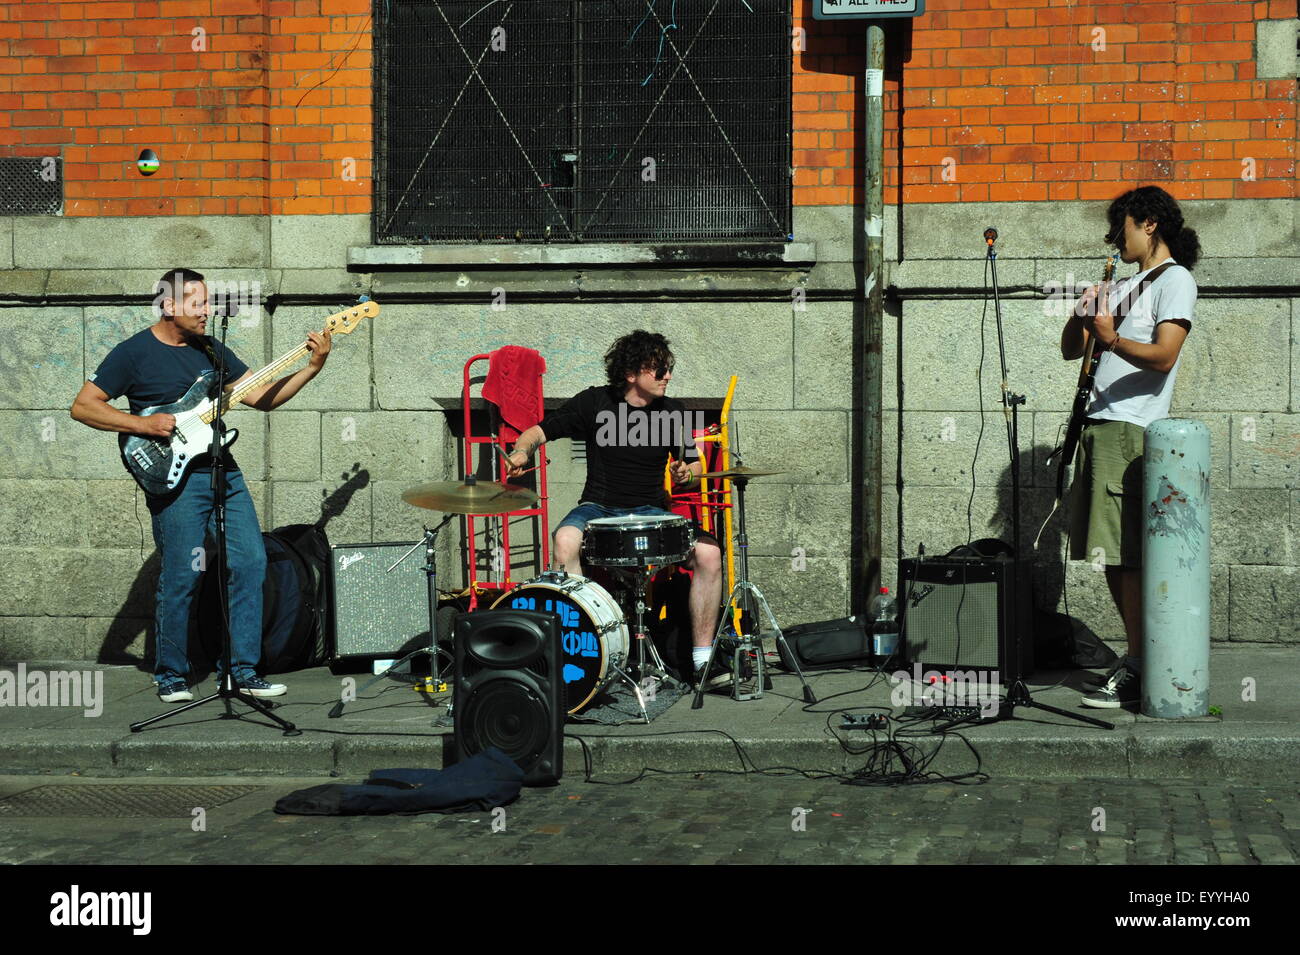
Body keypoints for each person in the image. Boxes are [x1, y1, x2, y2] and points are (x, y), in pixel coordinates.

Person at [71, 268, 332, 702]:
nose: (208, 311)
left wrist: (314, 366)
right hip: (176, 479)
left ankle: (243, 670)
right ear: (169, 306)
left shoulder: (211, 350)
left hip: (222, 471)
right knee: (182, 575)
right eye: (199, 304)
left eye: (209, 303)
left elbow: (260, 398)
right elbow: (83, 407)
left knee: (250, 562)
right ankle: (171, 672)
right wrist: (142, 423)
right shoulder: (133, 353)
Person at [505, 330, 731, 688]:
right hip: (599, 507)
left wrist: (687, 472)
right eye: (659, 371)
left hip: (653, 509)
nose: (667, 377)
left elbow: (695, 464)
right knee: (564, 541)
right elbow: (537, 431)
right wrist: (522, 451)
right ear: (632, 373)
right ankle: (578, 658)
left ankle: (703, 660)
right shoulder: (594, 403)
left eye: (668, 369)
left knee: (709, 554)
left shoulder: (672, 411)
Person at [1061, 186, 1200, 708]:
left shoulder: (1175, 281)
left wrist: (1113, 338)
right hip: (1100, 426)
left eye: (1119, 227)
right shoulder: (1124, 284)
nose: (1112, 239)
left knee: (1127, 555)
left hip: (1130, 429)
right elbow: (1071, 350)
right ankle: (1139, 658)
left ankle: (1141, 664)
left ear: (1148, 224)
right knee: (1113, 556)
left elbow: (1164, 356)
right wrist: (1082, 318)